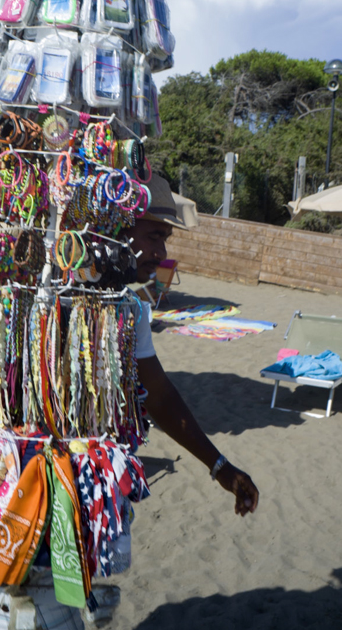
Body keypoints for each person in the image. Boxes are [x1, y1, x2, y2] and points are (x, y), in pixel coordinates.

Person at [126, 173, 259, 518]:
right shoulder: (53, 300)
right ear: (117, 228)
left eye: (165, 239)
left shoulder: (130, 308)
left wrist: (219, 466)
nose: (162, 253)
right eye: (154, 236)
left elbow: (157, 394)